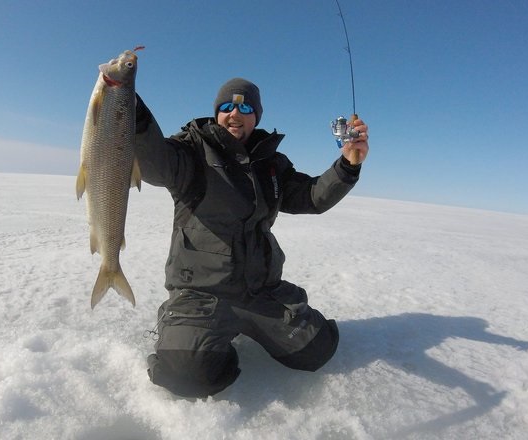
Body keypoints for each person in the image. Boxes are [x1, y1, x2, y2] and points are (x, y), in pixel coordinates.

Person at [134, 78, 369, 398]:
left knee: (318, 350)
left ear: (256, 116)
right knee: (187, 373)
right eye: (226, 107)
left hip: (260, 290)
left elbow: (311, 196)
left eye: (245, 108)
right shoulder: (191, 151)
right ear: (217, 113)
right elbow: (153, 162)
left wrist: (347, 166)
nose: (235, 113)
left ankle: (276, 321)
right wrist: (131, 110)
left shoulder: (270, 164)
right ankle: (185, 332)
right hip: (201, 294)